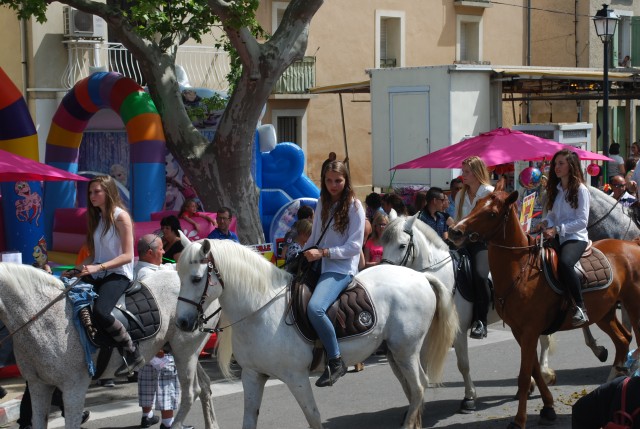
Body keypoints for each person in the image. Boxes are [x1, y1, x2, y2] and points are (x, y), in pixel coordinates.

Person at [73, 175, 143, 376]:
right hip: (99, 271)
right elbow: (95, 255)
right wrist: (78, 268)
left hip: (118, 274)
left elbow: (128, 256)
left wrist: (98, 267)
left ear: (108, 192)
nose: (92, 196)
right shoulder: (99, 218)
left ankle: (132, 351)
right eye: (90, 192)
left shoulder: (121, 216)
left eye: (97, 191)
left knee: (101, 312)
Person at [303, 160, 365, 387]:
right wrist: (301, 252)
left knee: (315, 308)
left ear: (346, 180)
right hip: (320, 264)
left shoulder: (355, 206)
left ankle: (336, 360)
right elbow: (314, 238)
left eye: (338, 180)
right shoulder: (322, 202)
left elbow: (355, 247)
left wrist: (323, 253)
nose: (333, 185)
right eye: (328, 180)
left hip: (341, 268)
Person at [134, 234, 192, 429]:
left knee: (147, 378)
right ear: (150, 252)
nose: (164, 251)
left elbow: (172, 267)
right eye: (161, 248)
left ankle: (147, 415)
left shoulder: (146, 269)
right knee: (166, 377)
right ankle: (168, 423)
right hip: (157, 335)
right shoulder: (147, 275)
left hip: (145, 338)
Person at [531, 149, 590, 327]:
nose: (556, 167)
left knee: (565, 262)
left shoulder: (581, 189)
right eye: (555, 164)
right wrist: (545, 223)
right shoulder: (556, 189)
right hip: (557, 234)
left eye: (561, 163)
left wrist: (557, 229)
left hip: (575, 237)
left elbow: (582, 221)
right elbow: (552, 215)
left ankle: (580, 307)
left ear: (571, 166)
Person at [454, 156, 494, 339]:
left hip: (483, 242)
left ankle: (481, 321)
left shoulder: (489, 193)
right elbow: (457, 221)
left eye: (466, 172)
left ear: (477, 173)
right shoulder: (460, 195)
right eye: (463, 171)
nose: (463, 175)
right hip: (463, 241)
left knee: (479, 275)